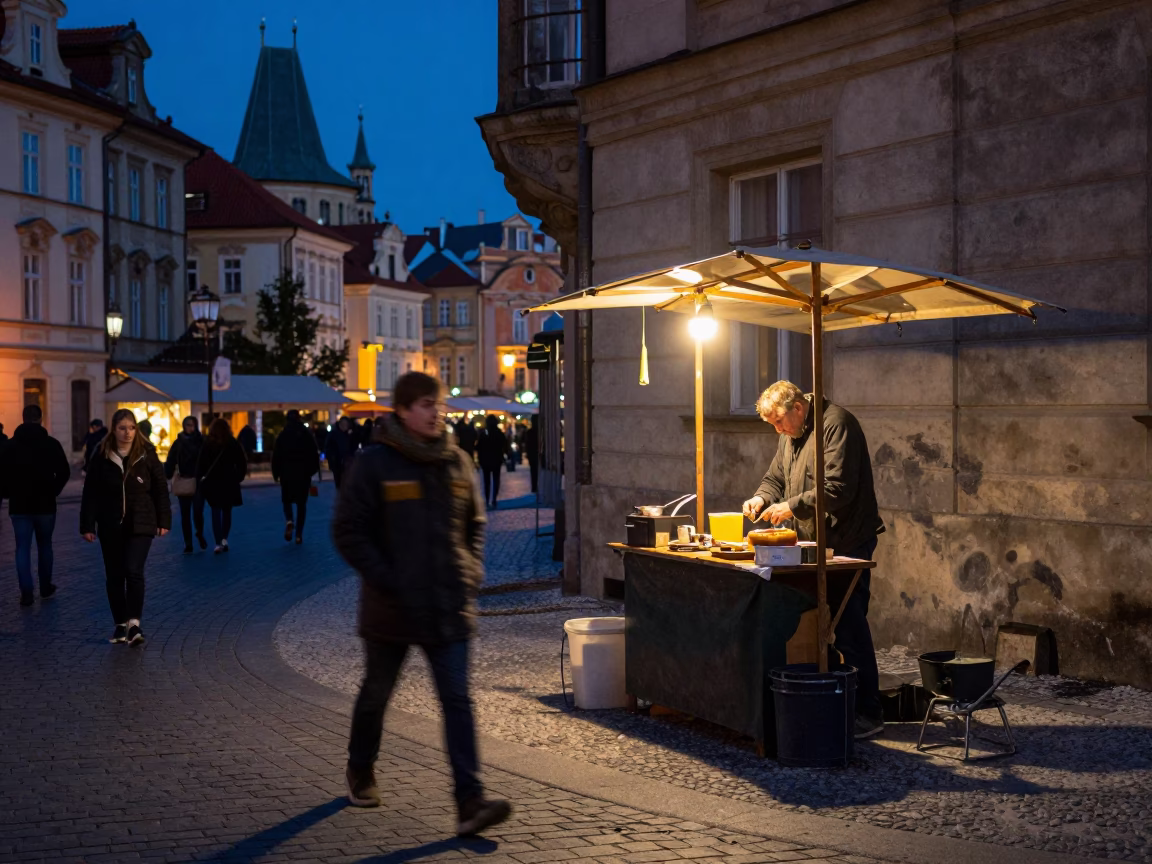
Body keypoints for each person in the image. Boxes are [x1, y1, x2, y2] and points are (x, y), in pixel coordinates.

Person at [333, 371, 510, 835]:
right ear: (404, 411)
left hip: (448, 604)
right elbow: (348, 530)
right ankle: (361, 768)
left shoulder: (456, 461)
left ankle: (469, 802)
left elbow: (475, 523)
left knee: (457, 700)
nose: (438, 412)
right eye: (428, 404)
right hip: (391, 606)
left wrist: (470, 571)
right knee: (377, 693)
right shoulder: (374, 463)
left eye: (440, 404)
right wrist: (387, 579)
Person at [741, 380, 885, 740]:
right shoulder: (790, 433)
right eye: (772, 424)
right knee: (819, 626)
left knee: (848, 622)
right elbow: (776, 477)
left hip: (846, 542)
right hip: (812, 541)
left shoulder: (838, 425)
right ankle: (834, 699)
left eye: (779, 422)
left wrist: (790, 505)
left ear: (798, 408)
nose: (778, 430)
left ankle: (868, 711)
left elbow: (837, 487)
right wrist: (761, 498)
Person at [80, 409, 170, 644]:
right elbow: (90, 492)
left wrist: (164, 520)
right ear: (114, 429)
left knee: (133, 570)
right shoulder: (101, 454)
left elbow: (160, 488)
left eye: (131, 428)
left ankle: (134, 624)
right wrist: (87, 525)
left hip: (141, 522)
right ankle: (120, 624)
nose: (127, 433)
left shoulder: (147, 453)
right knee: (114, 575)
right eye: (122, 428)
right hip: (110, 523)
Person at [0, 405, 70, 606]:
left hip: (19, 505)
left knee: (22, 548)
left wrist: (7, 492)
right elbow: (64, 471)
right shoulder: (51, 444)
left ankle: (27, 591)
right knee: (45, 546)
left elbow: (1, 474)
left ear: (23, 419)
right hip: (45, 504)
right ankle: (45, 587)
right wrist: (53, 490)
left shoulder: (10, 446)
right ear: (41, 419)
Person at [197, 419, 247, 554]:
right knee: (227, 511)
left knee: (215, 511)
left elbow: (201, 464)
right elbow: (242, 461)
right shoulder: (232, 442)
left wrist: (201, 479)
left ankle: (218, 542)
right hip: (229, 481)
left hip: (213, 482)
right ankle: (224, 539)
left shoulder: (208, 443)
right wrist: (239, 477)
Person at [272, 410, 320, 544]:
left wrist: (276, 473)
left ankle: (289, 520)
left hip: (286, 473)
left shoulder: (283, 435)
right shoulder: (306, 434)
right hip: (303, 474)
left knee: (286, 500)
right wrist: (312, 471)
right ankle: (299, 534)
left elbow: (276, 456)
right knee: (301, 504)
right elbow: (314, 453)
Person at [165, 417, 207, 554]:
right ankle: (188, 543)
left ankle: (199, 533)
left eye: (193, 425)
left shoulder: (201, 441)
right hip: (184, 480)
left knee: (198, 512)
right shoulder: (178, 443)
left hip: (198, 481)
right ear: (184, 426)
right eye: (188, 425)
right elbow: (171, 460)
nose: (191, 428)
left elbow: (208, 459)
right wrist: (168, 474)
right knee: (185, 515)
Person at [475, 415, 509, 510]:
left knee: (486, 481)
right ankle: (494, 499)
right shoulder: (499, 433)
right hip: (496, 460)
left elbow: (478, 447)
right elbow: (505, 446)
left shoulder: (484, 433)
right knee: (496, 479)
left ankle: (487, 500)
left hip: (485, 460)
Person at [326, 416, 354, 489]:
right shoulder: (334, 434)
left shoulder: (347, 434)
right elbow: (328, 448)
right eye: (344, 424)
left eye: (347, 425)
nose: (346, 426)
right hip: (337, 462)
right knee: (339, 481)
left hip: (346, 462)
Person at [524, 415, 540, 495]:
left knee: (533, 471)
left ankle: (534, 487)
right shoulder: (539, 432)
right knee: (536, 471)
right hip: (536, 454)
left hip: (532, 454)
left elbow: (527, 444)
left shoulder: (530, 432)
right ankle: (535, 487)